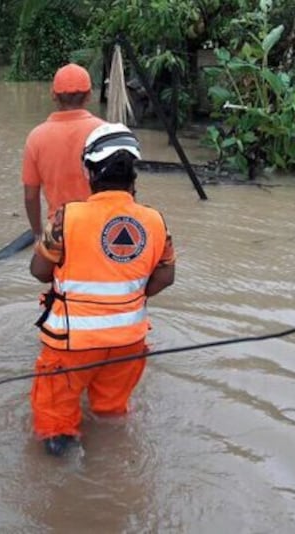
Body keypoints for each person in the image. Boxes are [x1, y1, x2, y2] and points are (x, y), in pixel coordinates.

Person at [28, 123, 176, 457]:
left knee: (56, 423)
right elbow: (166, 276)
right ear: (133, 174)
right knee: (111, 416)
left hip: (70, 344)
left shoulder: (66, 218)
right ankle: (113, 470)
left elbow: (39, 272)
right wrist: (130, 295)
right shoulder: (156, 221)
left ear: (88, 171)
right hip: (129, 343)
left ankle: (72, 490)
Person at [21, 63, 105, 238]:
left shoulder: (36, 137)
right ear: (89, 95)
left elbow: (30, 197)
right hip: (99, 230)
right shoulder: (104, 132)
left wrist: (38, 234)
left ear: (53, 95)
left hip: (60, 231)